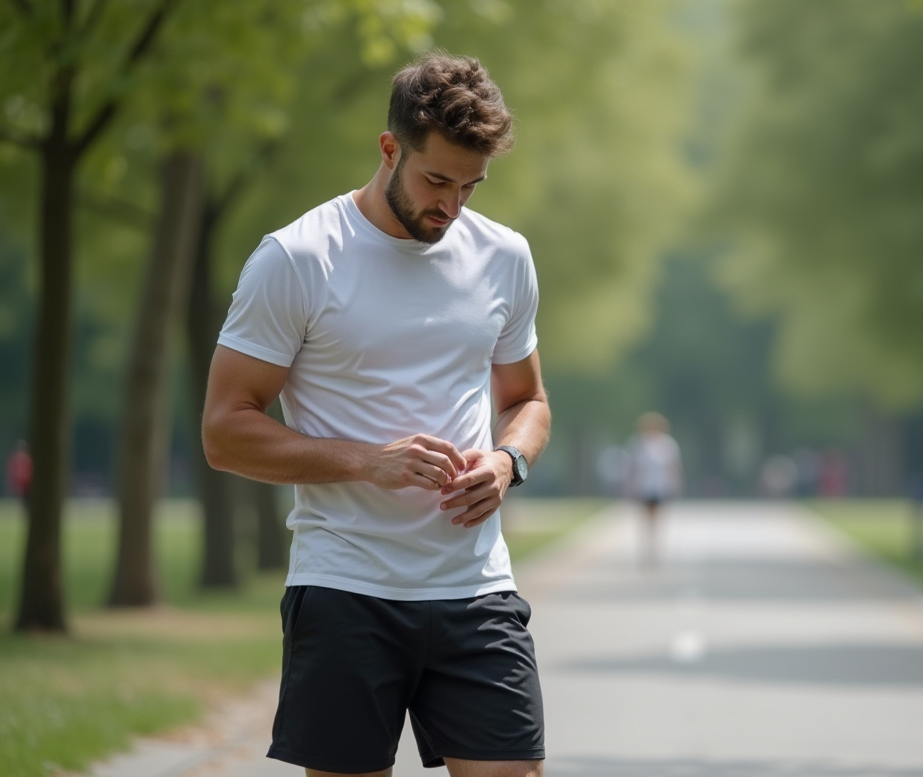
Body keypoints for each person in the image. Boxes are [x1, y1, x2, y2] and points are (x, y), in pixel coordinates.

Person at [202, 52, 549, 777]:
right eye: (437, 181)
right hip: (345, 590)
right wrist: (366, 460)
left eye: (471, 186)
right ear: (390, 149)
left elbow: (526, 401)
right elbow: (225, 430)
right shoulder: (297, 259)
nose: (452, 206)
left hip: (475, 588)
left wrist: (507, 460)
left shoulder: (505, 257)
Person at [626, 412, 682, 568]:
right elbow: (633, 467)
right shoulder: (638, 444)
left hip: (660, 486)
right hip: (643, 486)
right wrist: (630, 486)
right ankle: (647, 547)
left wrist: (675, 484)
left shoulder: (667, 444)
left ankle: (655, 547)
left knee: (657, 518)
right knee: (645, 518)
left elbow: (673, 467)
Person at [6, 440, 32, 512]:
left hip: (26, 481)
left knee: (25, 497)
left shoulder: (25, 458)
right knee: (24, 497)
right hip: (24, 480)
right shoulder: (22, 458)